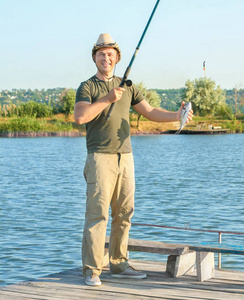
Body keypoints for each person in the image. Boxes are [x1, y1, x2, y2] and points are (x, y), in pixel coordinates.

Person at [74, 33, 193, 286]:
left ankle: (119, 265)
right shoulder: (88, 87)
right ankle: (92, 270)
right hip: (100, 157)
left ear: (117, 57)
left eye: (110, 54)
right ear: (94, 58)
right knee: (97, 215)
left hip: (125, 157)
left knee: (124, 213)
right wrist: (107, 98)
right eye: (101, 54)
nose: (106, 58)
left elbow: (149, 111)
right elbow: (80, 117)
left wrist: (177, 114)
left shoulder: (127, 85)